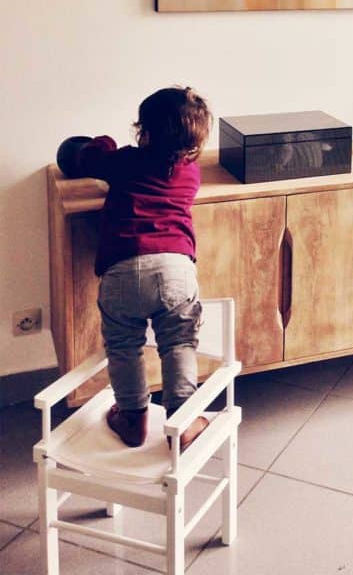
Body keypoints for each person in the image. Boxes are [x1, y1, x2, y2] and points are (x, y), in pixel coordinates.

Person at [72, 86, 212, 450]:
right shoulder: (190, 173)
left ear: (144, 131)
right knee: (179, 342)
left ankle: (132, 418)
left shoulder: (126, 162)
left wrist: (101, 141)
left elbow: (90, 159)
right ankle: (182, 422)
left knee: (124, 345)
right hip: (175, 269)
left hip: (121, 271)